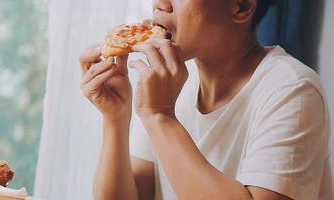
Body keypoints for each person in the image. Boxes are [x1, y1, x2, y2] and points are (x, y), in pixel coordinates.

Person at [79, 0, 332, 199]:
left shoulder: (293, 90)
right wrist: (116, 118)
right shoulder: (172, 80)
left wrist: (159, 116)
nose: (160, 4)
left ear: (241, 6)